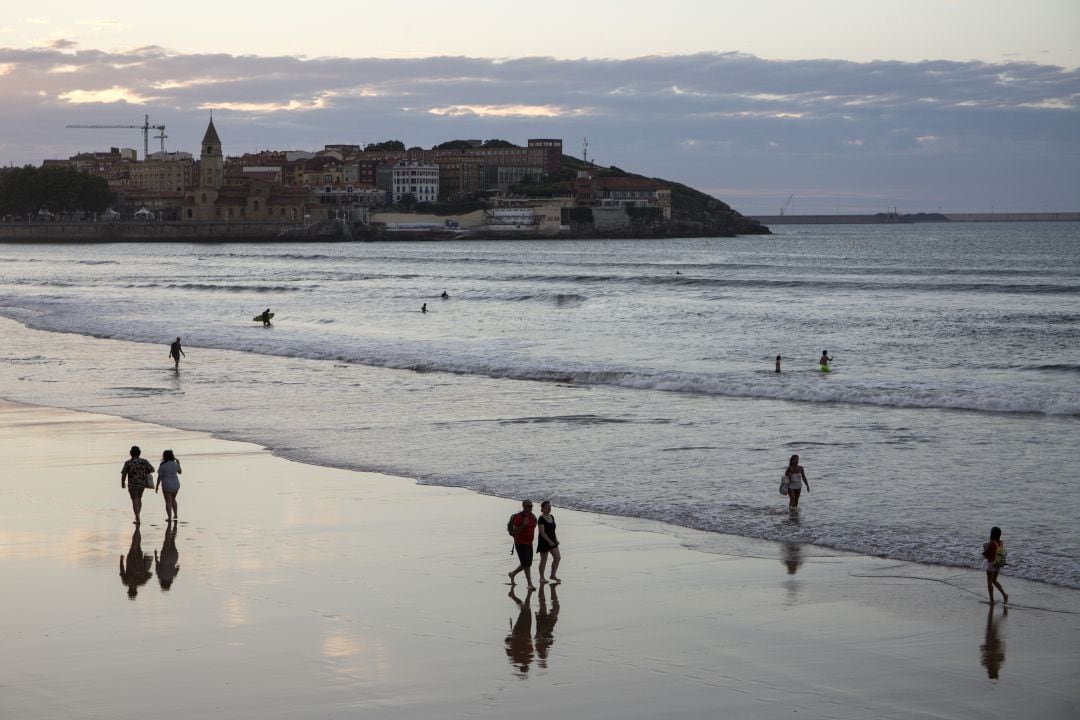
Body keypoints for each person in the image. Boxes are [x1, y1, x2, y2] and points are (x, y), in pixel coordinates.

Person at [120, 445, 155, 525]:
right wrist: (144, 471)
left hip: (132, 484)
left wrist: (122, 482)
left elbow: (124, 474)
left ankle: (138, 518)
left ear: (131, 453)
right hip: (142, 483)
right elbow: (152, 469)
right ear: (139, 453)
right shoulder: (144, 461)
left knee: (134, 500)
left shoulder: (128, 462)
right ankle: (137, 516)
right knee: (139, 499)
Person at [508, 500, 538, 590]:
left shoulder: (532, 516)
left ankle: (512, 574)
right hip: (520, 543)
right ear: (524, 506)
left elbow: (534, 526)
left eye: (532, 506)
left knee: (527, 563)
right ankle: (529, 584)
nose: (531, 508)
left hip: (529, 543)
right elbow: (515, 530)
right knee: (526, 564)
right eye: (529, 506)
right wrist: (523, 525)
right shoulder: (519, 517)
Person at [537, 500, 561, 583]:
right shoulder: (541, 518)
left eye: (550, 507)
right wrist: (549, 541)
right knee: (544, 560)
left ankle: (553, 575)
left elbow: (553, 530)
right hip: (544, 541)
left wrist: (556, 539)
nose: (549, 508)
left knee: (557, 557)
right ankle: (541, 578)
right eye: (547, 507)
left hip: (552, 540)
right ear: (542, 508)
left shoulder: (552, 516)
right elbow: (542, 532)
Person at [983, 526, 1009, 604]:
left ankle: (991, 600)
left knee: (989, 582)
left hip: (991, 563)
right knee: (995, 580)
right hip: (999, 563)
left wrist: (984, 548)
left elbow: (986, 553)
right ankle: (1004, 594)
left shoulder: (991, 543)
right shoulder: (1001, 542)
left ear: (992, 534)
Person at [155, 449, 182, 523]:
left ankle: (169, 517)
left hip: (167, 484)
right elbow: (180, 472)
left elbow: (159, 477)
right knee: (173, 499)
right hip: (176, 484)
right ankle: (175, 515)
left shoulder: (162, 465)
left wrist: (157, 486)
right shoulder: (175, 464)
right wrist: (178, 463)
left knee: (168, 501)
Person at [155, 524, 180, 591]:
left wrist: (177, 566)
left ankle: (175, 526)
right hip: (165, 558)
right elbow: (157, 566)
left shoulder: (172, 577)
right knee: (167, 539)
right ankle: (169, 525)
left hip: (174, 557)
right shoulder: (160, 576)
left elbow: (177, 569)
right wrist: (155, 556)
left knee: (173, 540)